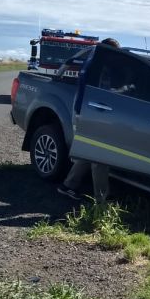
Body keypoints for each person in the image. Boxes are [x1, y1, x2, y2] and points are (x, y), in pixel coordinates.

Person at [57, 37, 120, 202]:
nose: (116, 57)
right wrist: (123, 90)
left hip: (84, 111)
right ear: (108, 52)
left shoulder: (92, 62)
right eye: (114, 53)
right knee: (100, 156)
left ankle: (68, 186)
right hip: (91, 114)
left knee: (88, 152)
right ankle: (102, 198)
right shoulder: (99, 67)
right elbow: (104, 93)